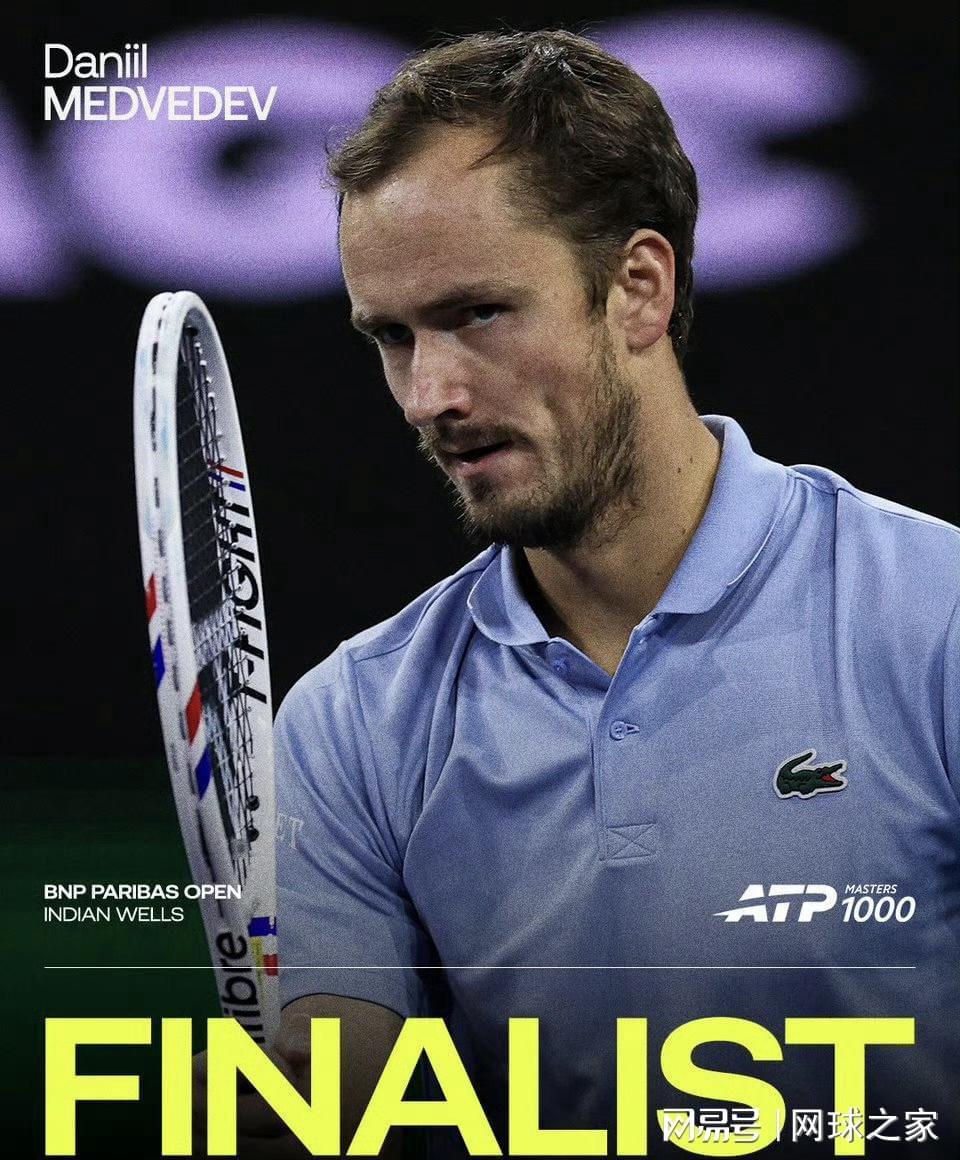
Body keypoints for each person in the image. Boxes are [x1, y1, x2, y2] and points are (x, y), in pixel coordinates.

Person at [204, 29, 960, 1158]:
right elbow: (343, 1080)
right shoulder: (351, 721)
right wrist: (297, 1112)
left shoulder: (937, 619)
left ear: (638, 289)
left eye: (478, 313)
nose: (430, 394)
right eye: (393, 337)